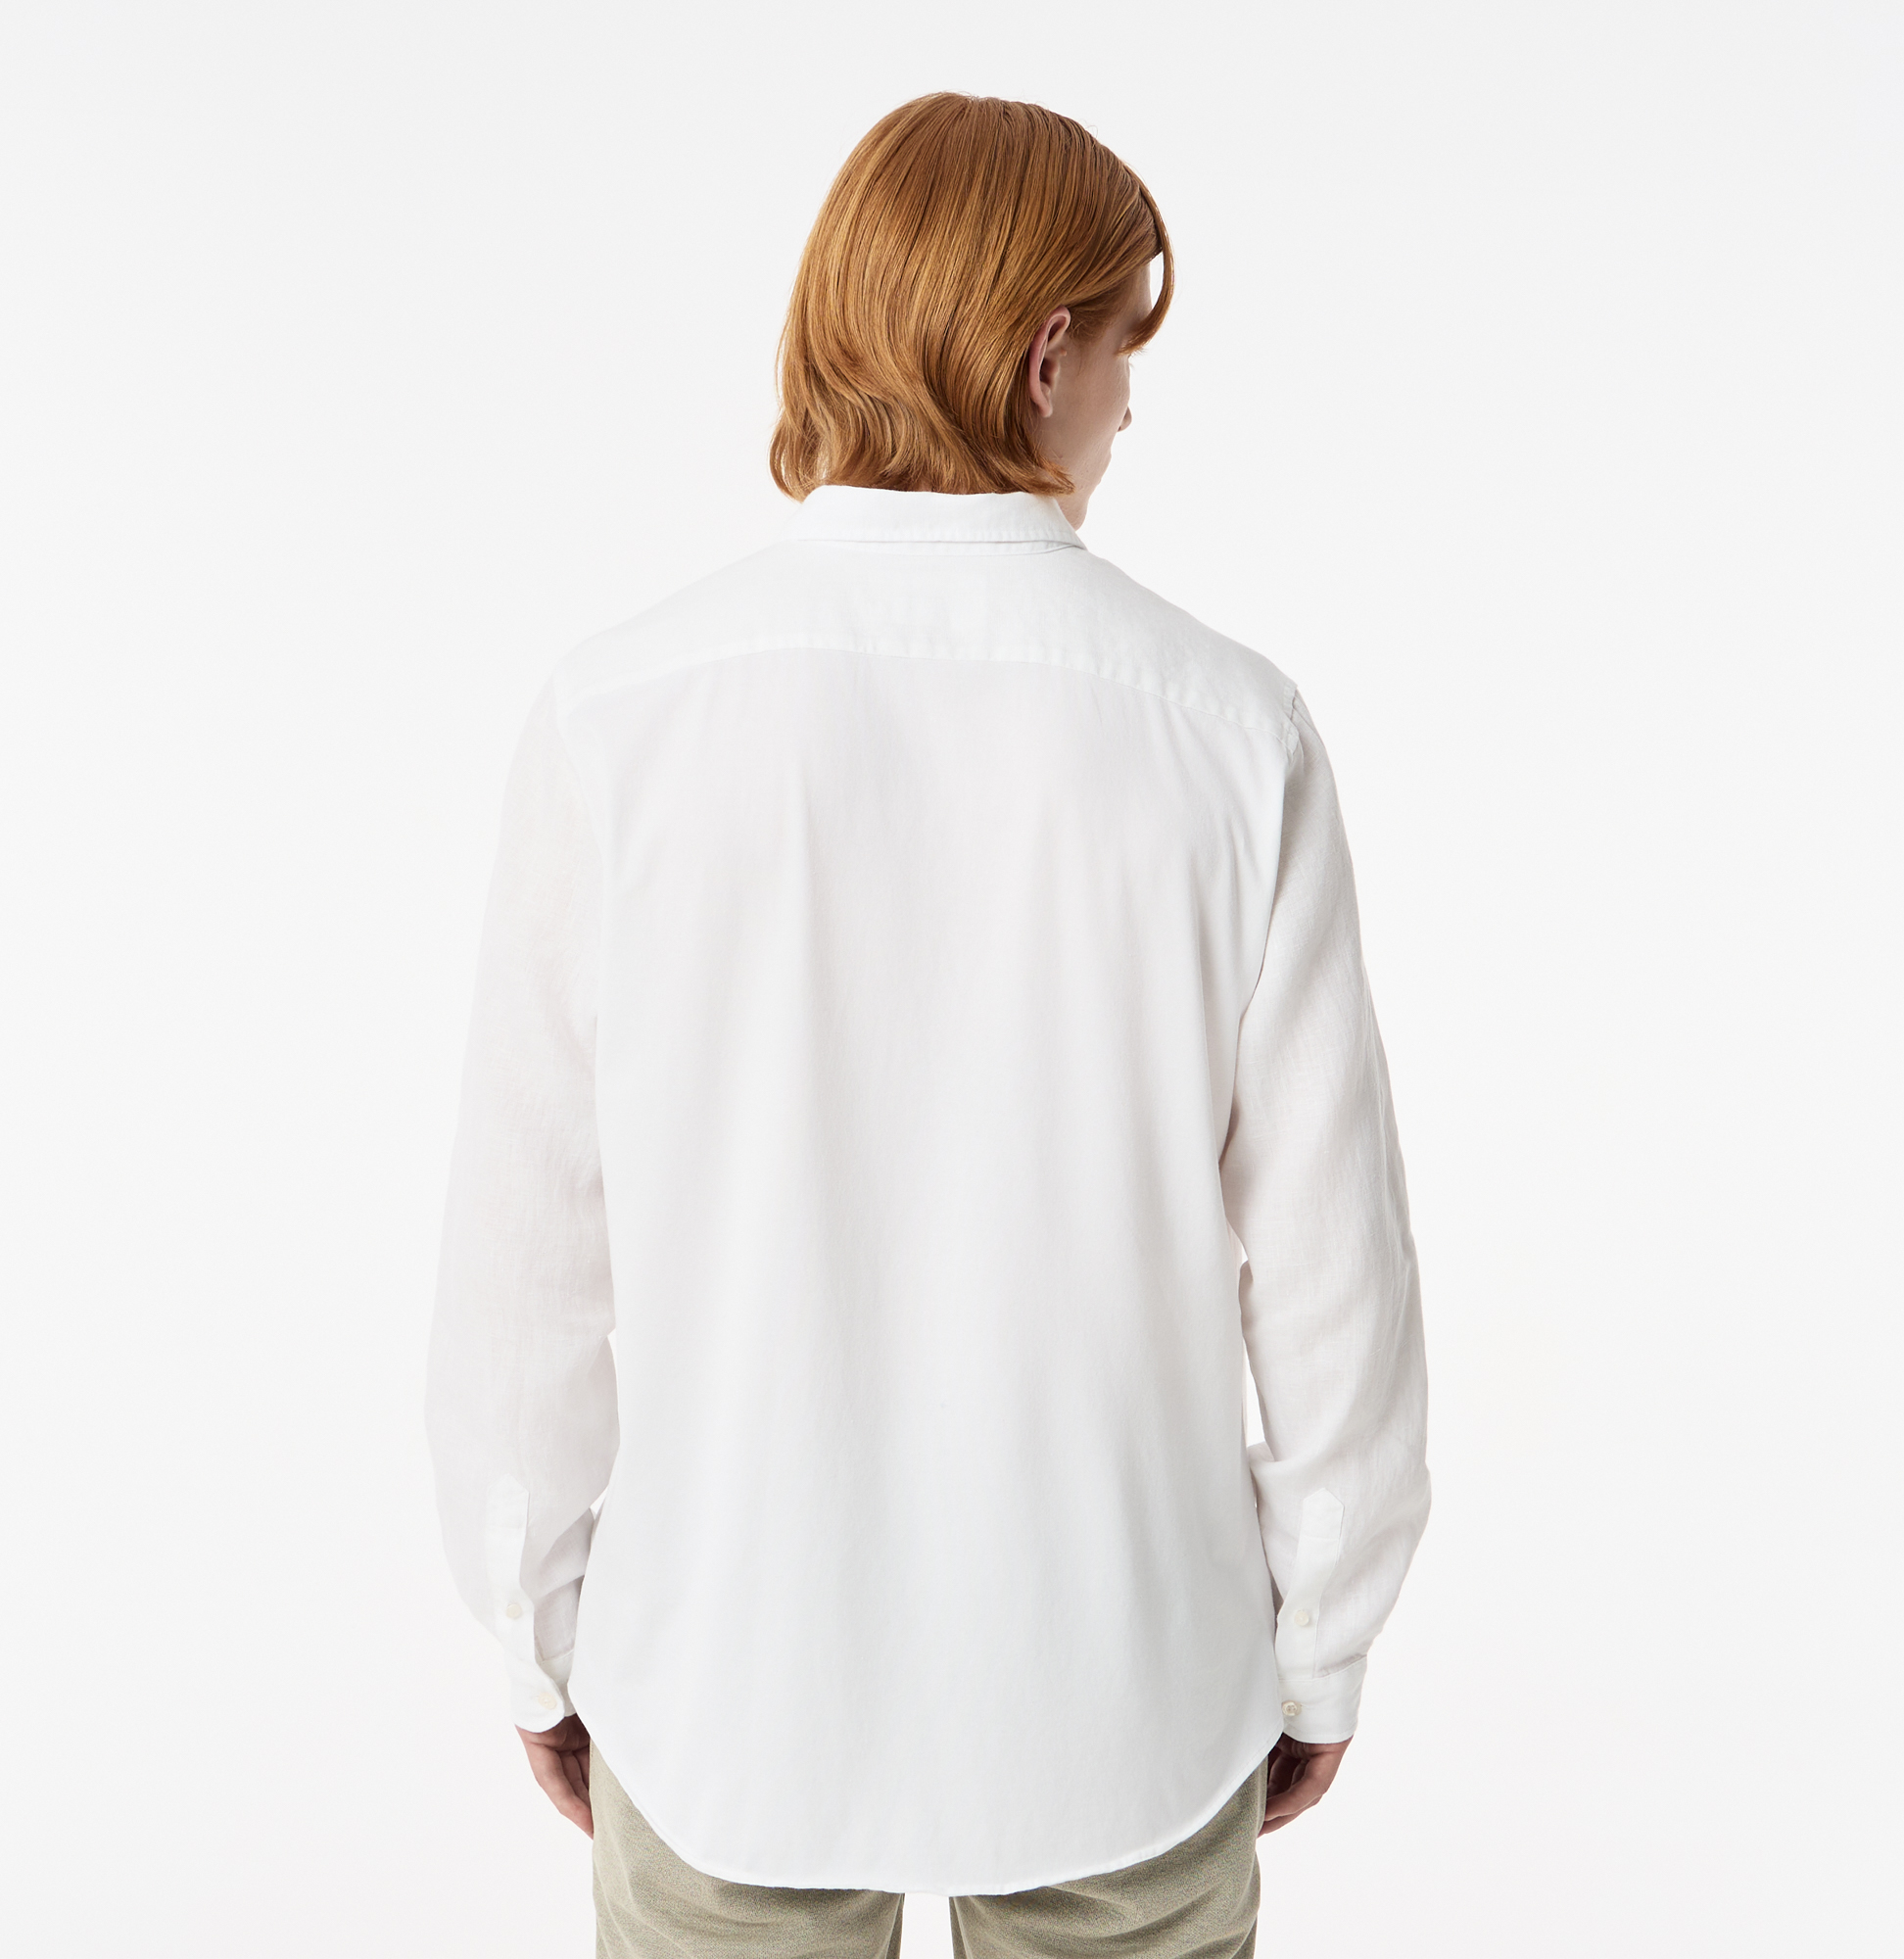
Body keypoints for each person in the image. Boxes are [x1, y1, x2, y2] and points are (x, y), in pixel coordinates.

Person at [427, 91, 1430, 1958]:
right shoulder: (1231, 733)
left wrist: (535, 1627)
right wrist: (1325, 1641)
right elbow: (1331, 1276)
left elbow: (526, 1258)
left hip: (722, 1687)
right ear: (1046, 357)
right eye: (1125, 353)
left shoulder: (620, 719)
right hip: (1127, 1693)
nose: (1129, 410)